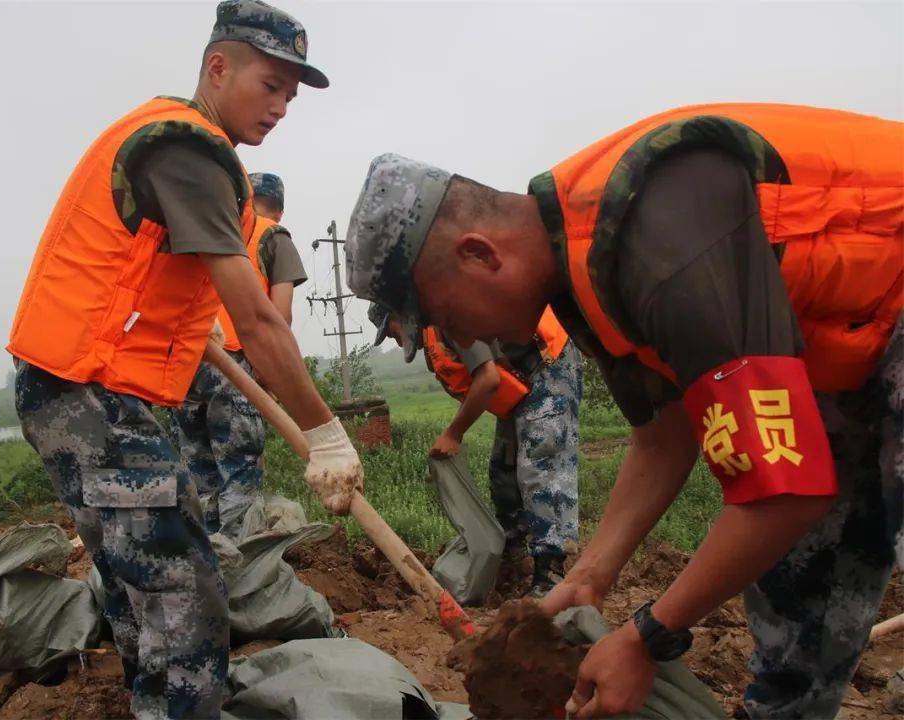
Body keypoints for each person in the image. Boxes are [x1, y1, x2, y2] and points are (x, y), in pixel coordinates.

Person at [343, 104, 902, 718]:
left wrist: (648, 637)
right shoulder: (581, 276)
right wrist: (589, 574)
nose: (452, 336)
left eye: (444, 317)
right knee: (800, 578)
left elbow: (784, 490)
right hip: (857, 353)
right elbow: (663, 438)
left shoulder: (659, 238)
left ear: (478, 254)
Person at [7, 3, 363, 717]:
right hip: (90, 397)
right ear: (218, 67)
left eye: (292, 95)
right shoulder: (191, 151)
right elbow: (261, 318)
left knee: (140, 576)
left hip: (73, 390)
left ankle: (155, 703)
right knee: (185, 587)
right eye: (271, 84)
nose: (282, 107)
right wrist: (324, 431)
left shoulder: (166, 142)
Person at [369, 303, 582, 594]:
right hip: (521, 381)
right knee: (504, 469)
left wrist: (454, 434)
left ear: (403, 314)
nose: (395, 340)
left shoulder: (450, 318)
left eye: (390, 330)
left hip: (548, 366)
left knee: (540, 466)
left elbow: (488, 380)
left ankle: (551, 574)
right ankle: (513, 557)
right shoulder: (436, 332)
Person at [171, 171, 307, 539]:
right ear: (278, 207)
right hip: (232, 364)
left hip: (186, 363)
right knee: (239, 467)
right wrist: (269, 373)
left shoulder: (210, 228)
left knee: (197, 469)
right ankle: (243, 560)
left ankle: (210, 559)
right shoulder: (272, 235)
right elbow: (281, 314)